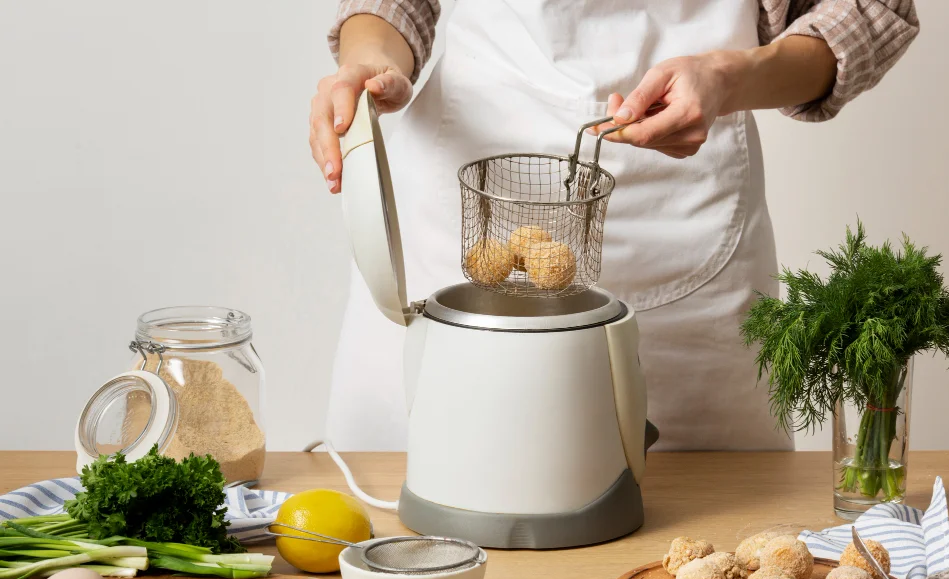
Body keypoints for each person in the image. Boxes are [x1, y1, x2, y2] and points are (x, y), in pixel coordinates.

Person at [312, 1, 918, 452]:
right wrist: (368, 61)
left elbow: (869, 10)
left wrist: (732, 77)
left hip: (690, 245)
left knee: (706, 545)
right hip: (460, 220)